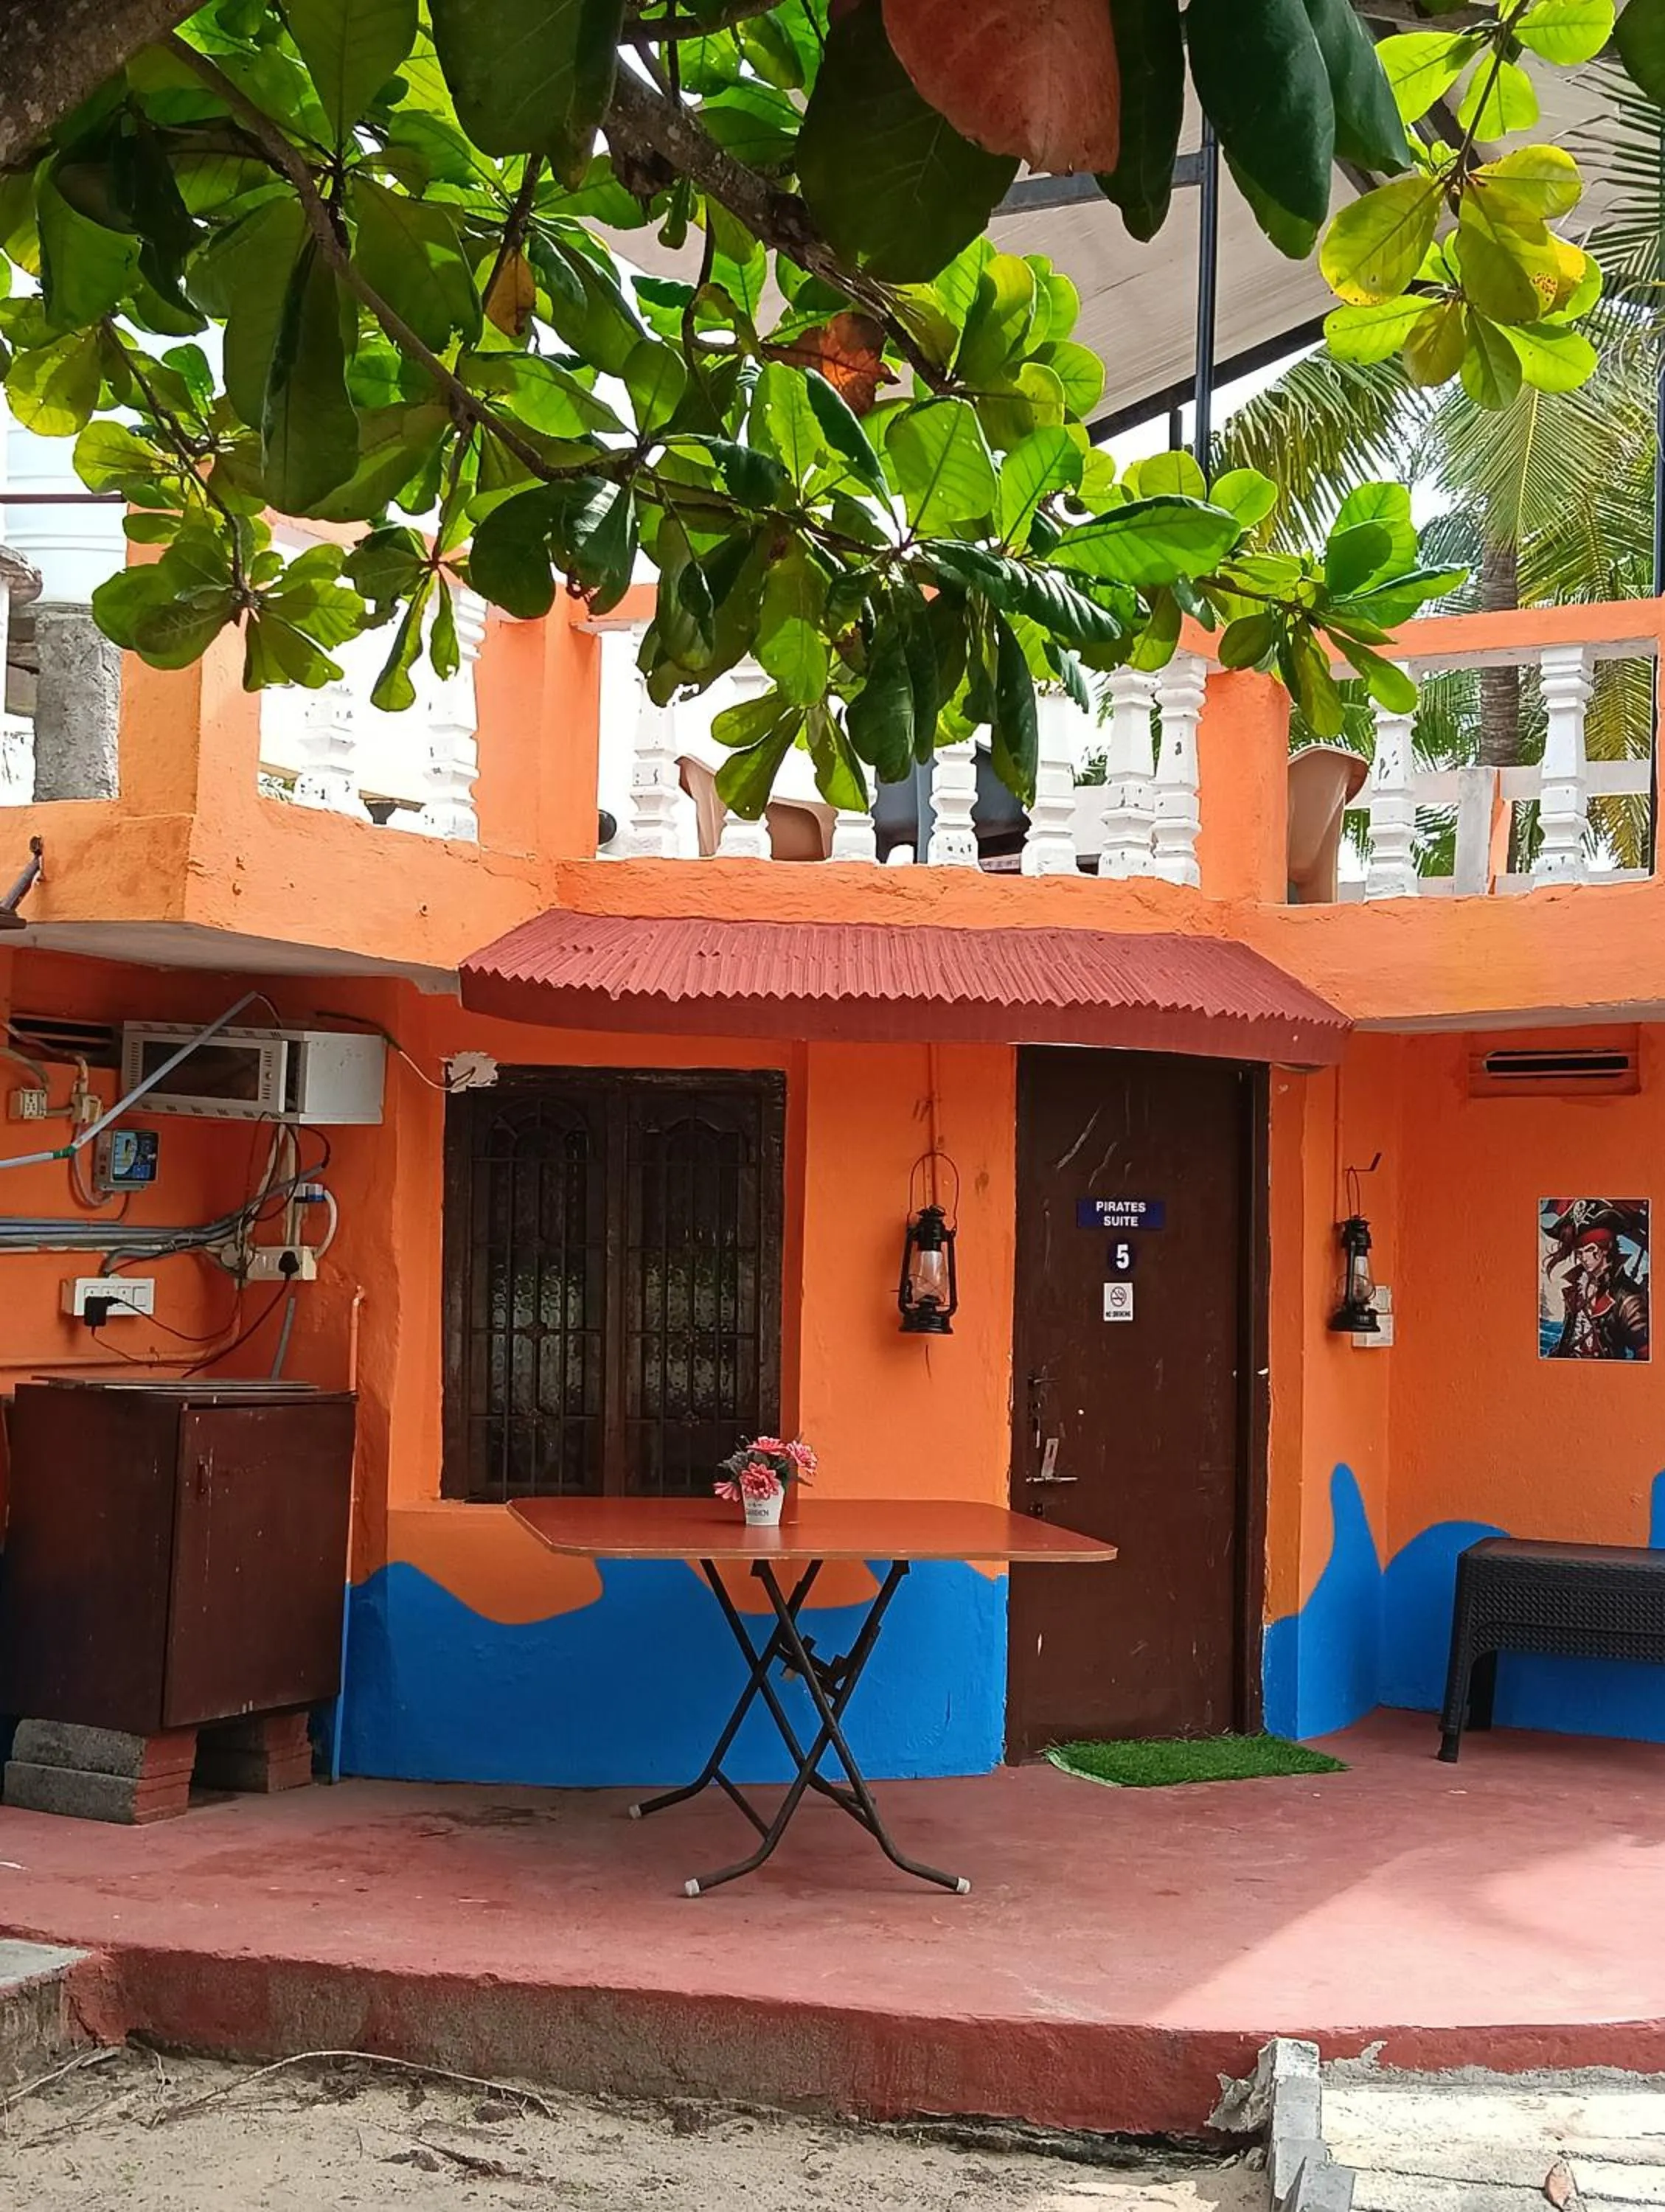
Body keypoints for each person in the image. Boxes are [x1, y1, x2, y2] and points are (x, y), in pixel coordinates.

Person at [1547, 1225, 1650, 1360]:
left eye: (1590, 1250)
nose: (1584, 1258)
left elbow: (1645, 1352)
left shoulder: (1627, 1296)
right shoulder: (1575, 1289)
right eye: (1579, 1252)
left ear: (1606, 1248)